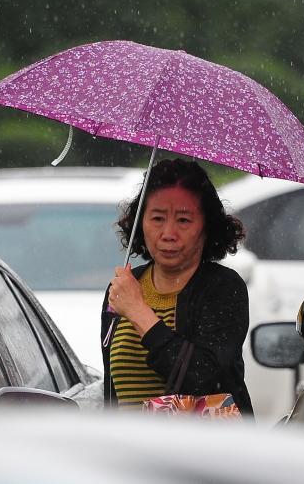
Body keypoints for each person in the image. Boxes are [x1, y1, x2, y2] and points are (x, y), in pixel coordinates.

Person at [101, 158, 253, 415]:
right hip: (132, 452)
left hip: (201, 451)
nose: (168, 233)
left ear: (207, 227)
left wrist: (139, 312)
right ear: (140, 222)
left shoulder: (224, 288)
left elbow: (203, 377)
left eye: (183, 220)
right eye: (157, 218)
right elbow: (112, 395)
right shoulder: (123, 288)